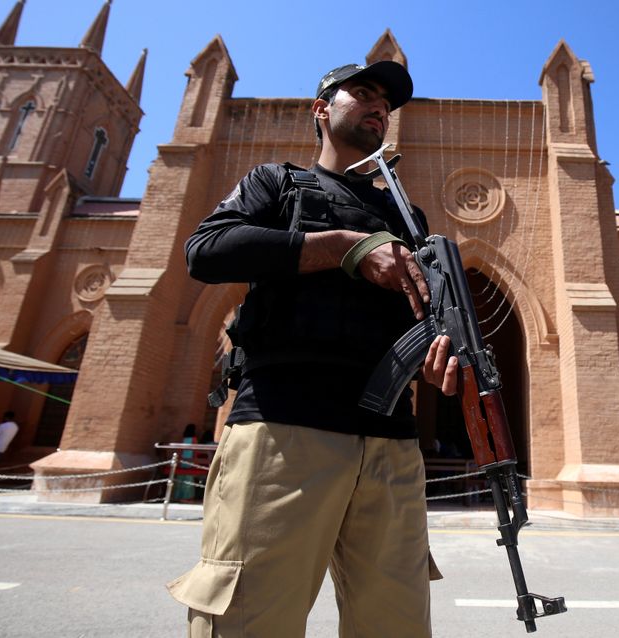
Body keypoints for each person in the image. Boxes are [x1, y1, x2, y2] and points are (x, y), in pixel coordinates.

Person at [167, 61, 458, 638]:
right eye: (363, 93)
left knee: (395, 625)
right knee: (253, 620)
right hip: (284, 432)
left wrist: (443, 356)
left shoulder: (408, 216)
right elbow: (206, 250)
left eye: (386, 102)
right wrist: (347, 247)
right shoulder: (276, 183)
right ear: (321, 109)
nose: (379, 106)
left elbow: (426, 316)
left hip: (392, 447)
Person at [171, 423, 197, 502]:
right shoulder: (194, 439)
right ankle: (187, 497)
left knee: (180, 478)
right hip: (190, 459)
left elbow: (180, 450)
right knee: (188, 478)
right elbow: (195, 450)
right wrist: (195, 460)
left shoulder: (184, 438)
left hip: (183, 459)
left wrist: (179, 459)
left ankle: (178, 496)